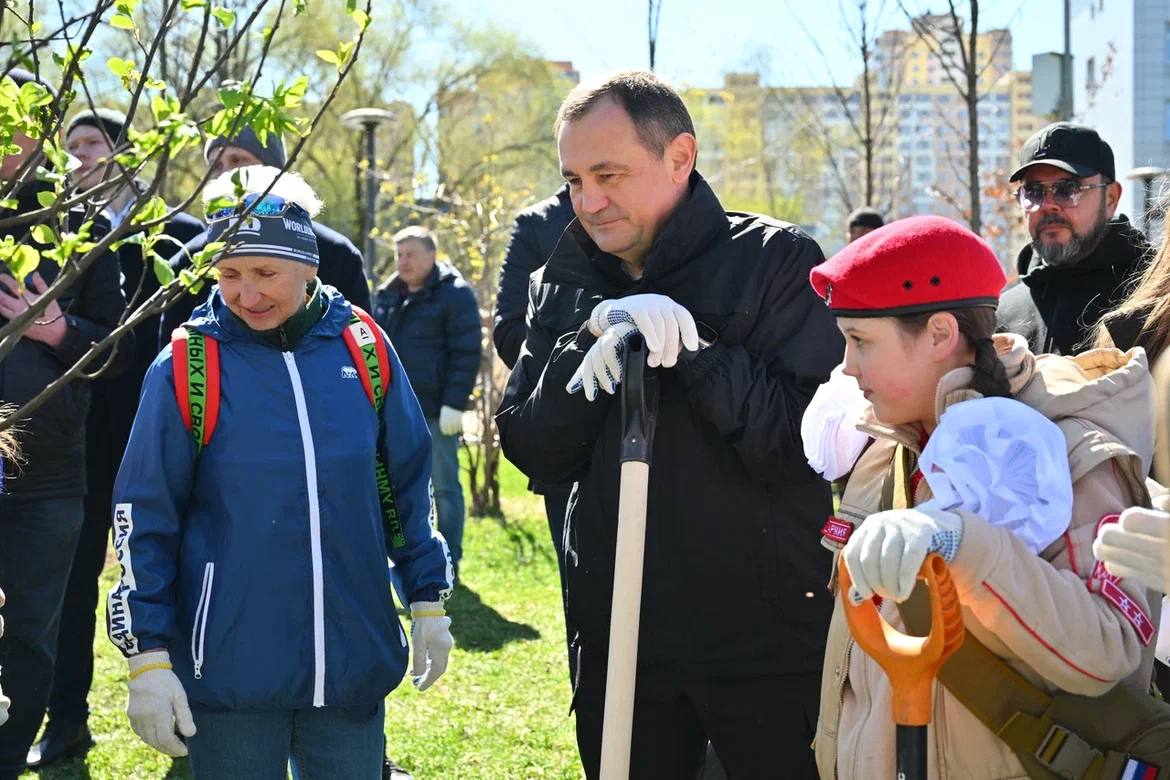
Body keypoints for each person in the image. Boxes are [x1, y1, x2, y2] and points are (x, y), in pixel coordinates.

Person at [496, 71, 842, 778]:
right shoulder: (561, 282)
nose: (587, 202)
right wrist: (585, 345)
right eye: (572, 180)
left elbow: (803, 445)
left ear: (679, 156)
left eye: (608, 175)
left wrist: (696, 352)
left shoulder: (776, 261)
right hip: (618, 637)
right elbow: (532, 447)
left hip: (763, 641)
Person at [105, 166, 453, 778]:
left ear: (308, 266)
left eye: (265, 273)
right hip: (228, 671)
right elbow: (145, 514)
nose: (246, 294)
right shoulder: (188, 364)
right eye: (228, 274)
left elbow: (402, 482)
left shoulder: (364, 348)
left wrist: (427, 597)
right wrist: (147, 657)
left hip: (351, 663)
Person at [809, 215, 1158, 777]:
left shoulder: (1063, 450)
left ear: (940, 335)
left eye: (860, 341)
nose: (846, 368)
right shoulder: (884, 446)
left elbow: (1108, 650)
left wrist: (968, 546)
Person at [27, 107, 205, 769]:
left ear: (127, 154)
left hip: (161, 431)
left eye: (92, 142)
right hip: (75, 435)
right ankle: (66, 717)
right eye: (70, 144)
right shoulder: (48, 232)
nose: (79, 155)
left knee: (175, 569)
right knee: (70, 586)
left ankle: (195, 705)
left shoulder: (175, 234)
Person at [0, 69, 126, 780]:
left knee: (28, 632)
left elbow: (116, 350)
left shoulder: (79, 225)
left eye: (18, 120)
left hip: (44, 475)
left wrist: (59, 332)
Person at [160, 123, 370, 348]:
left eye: (238, 160)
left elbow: (362, 344)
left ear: (274, 168)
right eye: (216, 166)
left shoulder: (337, 254)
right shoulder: (190, 262)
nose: (227, 175)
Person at [373, 226, 480, 576]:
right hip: (392, 412)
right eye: (398, 254)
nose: (402, 261)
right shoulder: (388, 295)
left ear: (432, 256)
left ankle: (449, 559)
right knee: (395, 488)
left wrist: (455, 403)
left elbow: (466, 352)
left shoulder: (455, 295)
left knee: (445, 488)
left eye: (410, 254)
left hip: (435, 411)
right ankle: (406, 557)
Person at [996, 122, 1148, 355]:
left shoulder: (1151, 299)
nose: (1048, 205)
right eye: (1034, 192)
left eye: (1067, 189)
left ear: (1111, 198)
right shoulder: (1004, 316)